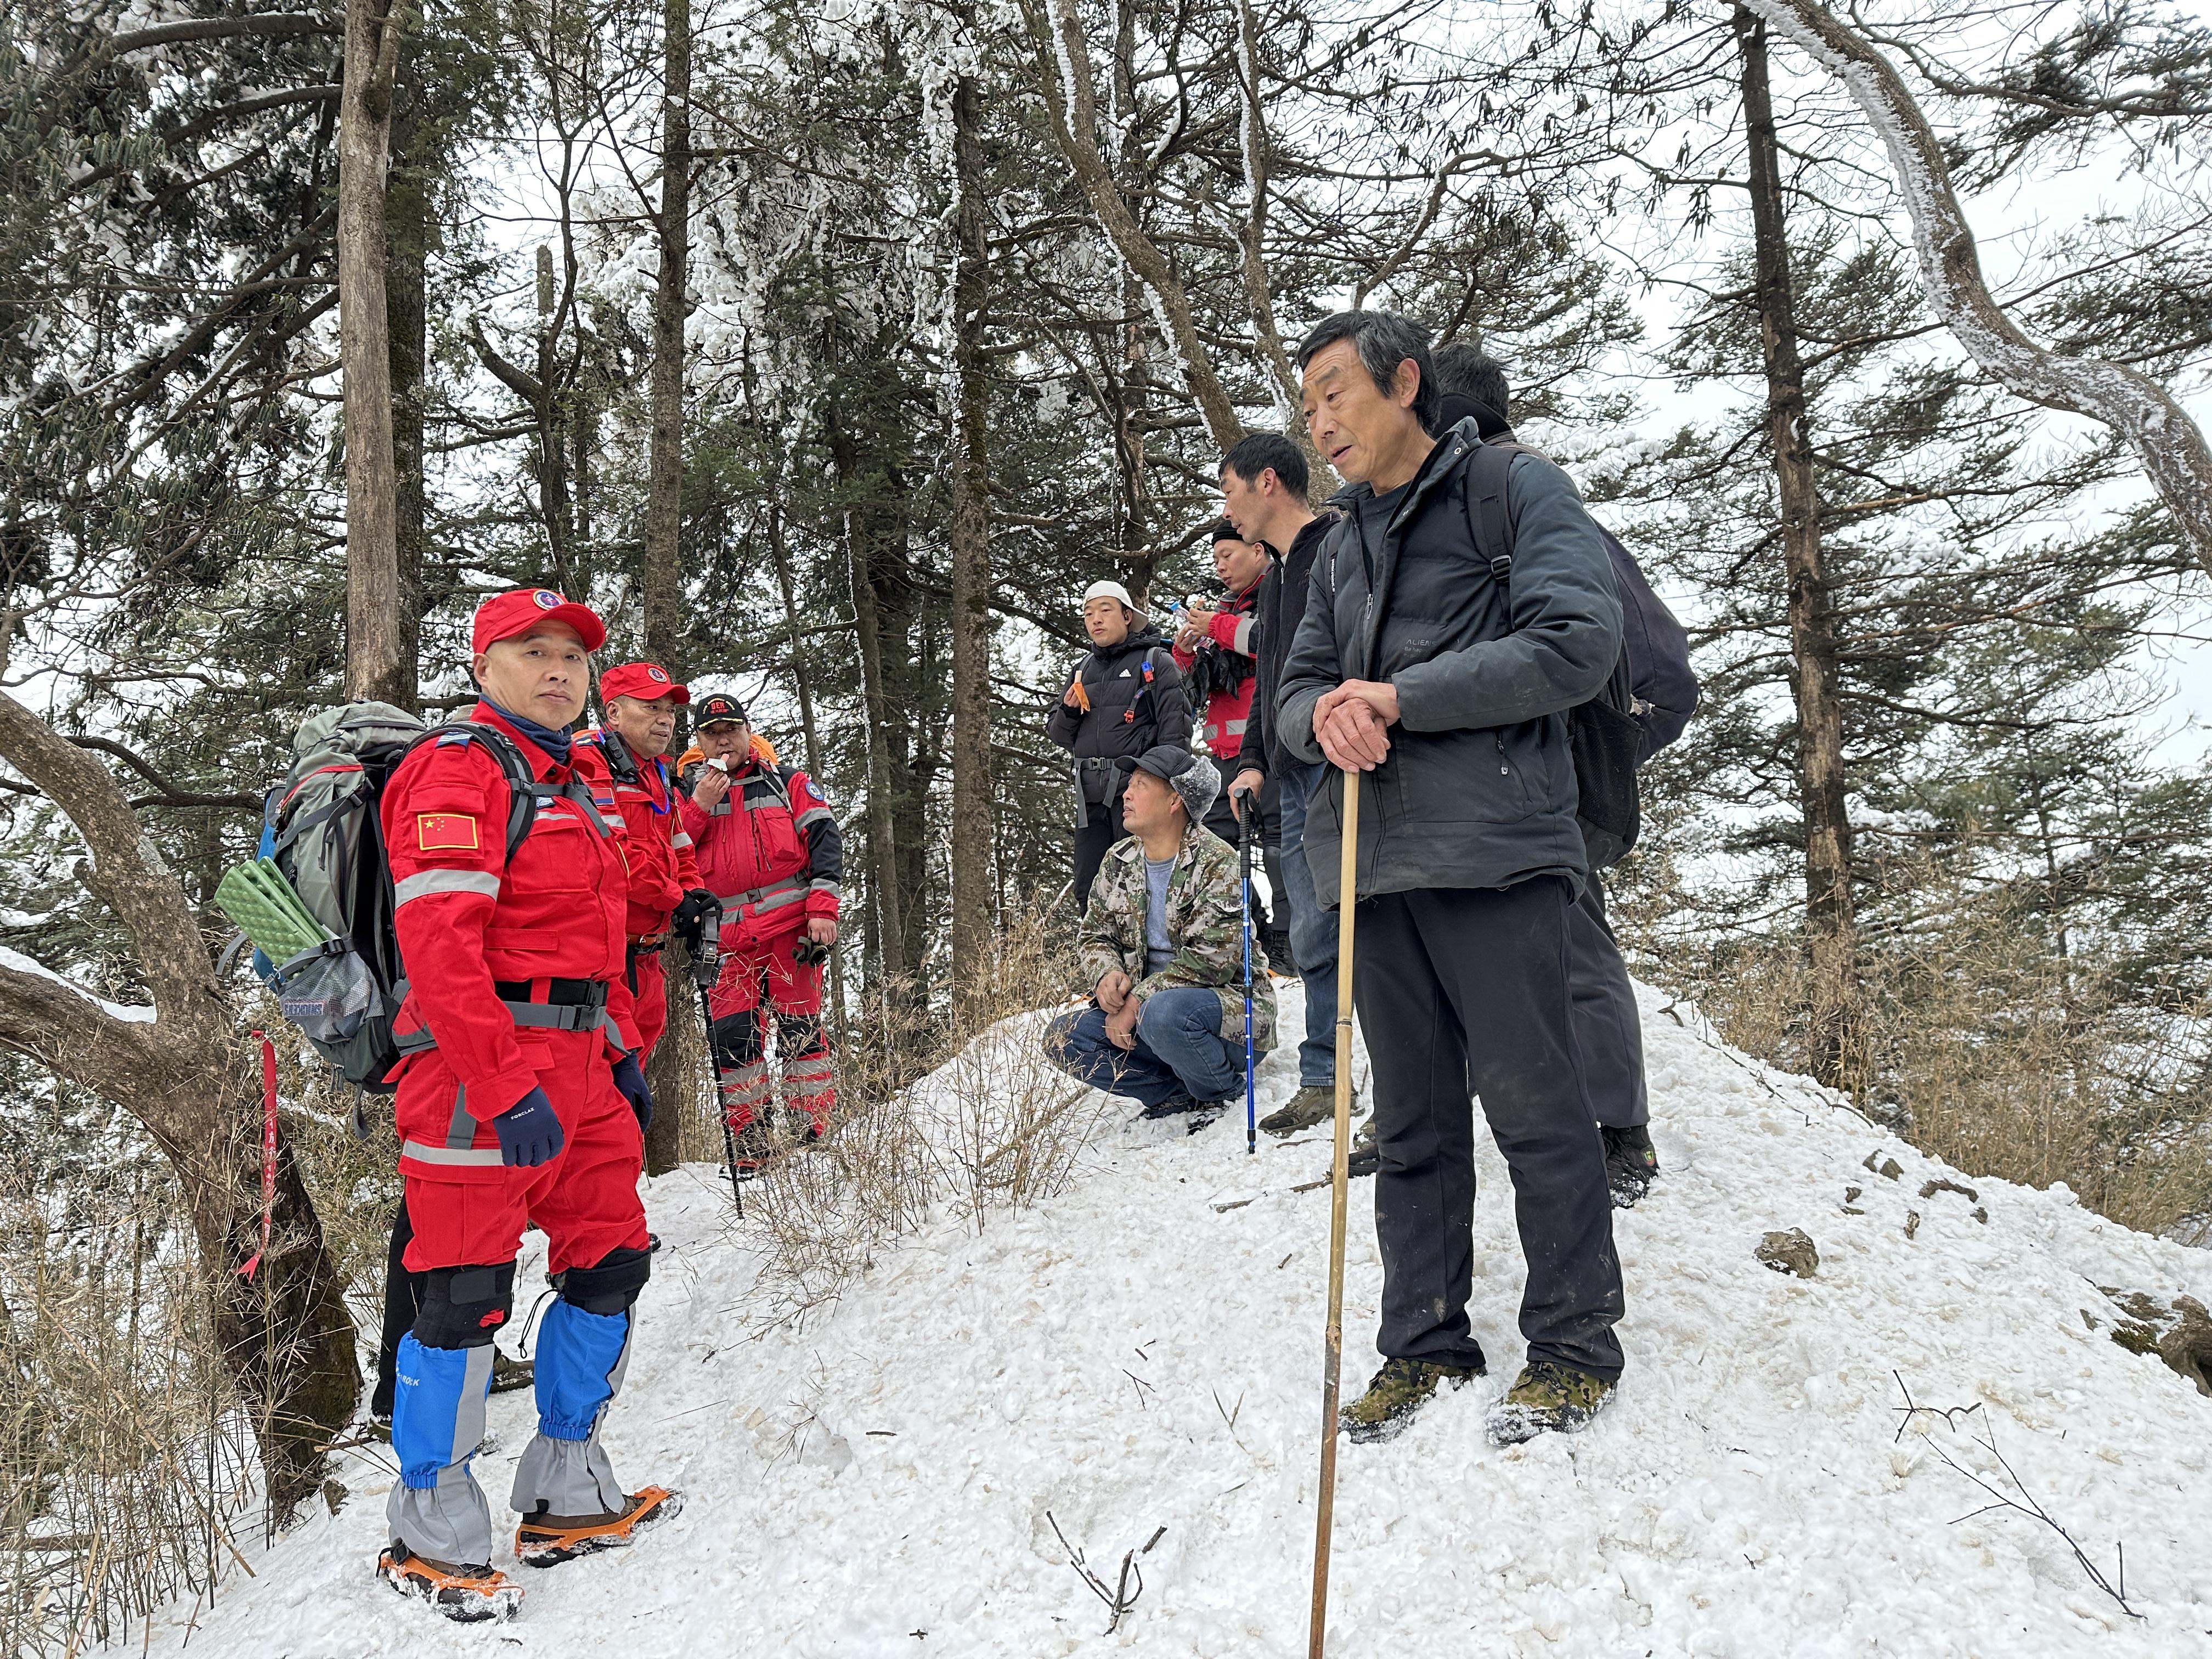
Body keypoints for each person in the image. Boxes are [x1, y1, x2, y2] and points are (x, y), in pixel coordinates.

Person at [1276, 311, 1627, 1449]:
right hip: (1372, 866)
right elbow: (1299, 688)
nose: (1320, 423)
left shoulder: (1511, 487)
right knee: (1414, 1119)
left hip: (1498, 853)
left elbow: (1578, 641)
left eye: (1336, 393)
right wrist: (1321, 712)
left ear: (1406, 383)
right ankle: (1424, 1342)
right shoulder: (1338, 546)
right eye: (1307, 404)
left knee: (1534, 1102)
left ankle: (1574, 1345)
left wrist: (1402, 698)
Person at [376, 587, 676, 1618]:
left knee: (612, 1259)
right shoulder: (456, 768)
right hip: (476, 1071)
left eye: (572, 654)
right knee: (461, 1295)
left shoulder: (579, 779)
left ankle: (565, 1486)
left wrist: (623, 1048)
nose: (558, 668)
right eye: (532, 649)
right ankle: (432, 1525)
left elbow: (595, 941)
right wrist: (503, 1084)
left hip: (585, 1063)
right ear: (483, 666)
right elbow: (442, 947)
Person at [1430, 342, 1700, 1206]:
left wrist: (1598, 758)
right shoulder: (1438, 521)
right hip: (1466, 796)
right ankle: (1542, 1131)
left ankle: (1623, 1134)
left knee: (1574, 952)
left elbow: (1666, 673)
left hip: (1551, 793)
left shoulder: (1540, 509)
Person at [1217, 431, 1352, 1138]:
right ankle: (1326, 1078)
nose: (1228, 509)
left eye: (1231, 489)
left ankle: (1391, 1083)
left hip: (1342, 771)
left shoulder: (1338, 546)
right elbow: (1274, 682)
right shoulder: (1276, 576)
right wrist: (1253, 760)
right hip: (1293, 780)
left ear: (1267, 481)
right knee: (1310, 930)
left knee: (1355, 927)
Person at [1044, 747, 1275, 1118]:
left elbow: (1211, 961)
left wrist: (1137, 1002)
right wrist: (1108, 975)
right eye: (1129, 784)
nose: (1126, 794)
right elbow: (1094, 936)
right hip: (1151, 1020)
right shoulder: (1119, 859)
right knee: (1063, 1036)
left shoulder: (1218, 861)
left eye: (1141, 784)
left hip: (1228, 1020)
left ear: (1174, 800)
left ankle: (1220, 1090)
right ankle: (1173, 1094)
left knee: (1162, 1013)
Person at [675, 692, 843, 1166]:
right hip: (724, 940)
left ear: (748, 733)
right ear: (700, 741)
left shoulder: (788, 782)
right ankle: (753, 1148)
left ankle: (815, 1135)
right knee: (734, 1042)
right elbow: (667, 858)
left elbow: (827, 842)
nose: (724, 739)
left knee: (802, 1034)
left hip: (794, 930)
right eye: (713, 733)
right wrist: (699, 807)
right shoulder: (682, 794)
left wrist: (823, 908)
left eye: (732, 729)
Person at [577, 662, 716, 1063]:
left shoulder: (655, 772)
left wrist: (694, 896)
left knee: (631, 1084)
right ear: (615, 713)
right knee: (605, 1085)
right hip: (603, 960)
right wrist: (675, 898)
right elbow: (610, 853)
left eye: (670, 711)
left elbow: (680, 845)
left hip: (646, 959)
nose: (665, 720)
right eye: (651, 707)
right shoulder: (591, 761)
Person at [1171, 520, 1284, 963]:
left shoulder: (1276, 593)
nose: (1220, 566)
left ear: (1258, 551)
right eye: (1215, 558)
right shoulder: (1221, 611)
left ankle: (1288, 940)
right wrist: (1186, 651)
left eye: (1228, 555)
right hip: (1221, 758)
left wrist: (1217, 625)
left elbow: (1272, 644)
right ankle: (1253, 933)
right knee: (1214, 843)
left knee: (1278, 844)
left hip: (1271, 748)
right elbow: (1195, 689)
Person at [1045, 579, 1191, 911]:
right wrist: (1068, 710)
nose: (1095, 619)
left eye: (1105, 610)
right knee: (1089, 891)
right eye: (1088, 613)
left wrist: (1166, 795)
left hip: (1138, 798)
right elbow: (1059, 735)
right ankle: (1095, 962)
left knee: (1140, 887)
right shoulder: (1082, 670)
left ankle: (1147, 960)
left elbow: (1175, 737)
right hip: (1090, 799)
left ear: (1127, 616)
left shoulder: (1156, 661)